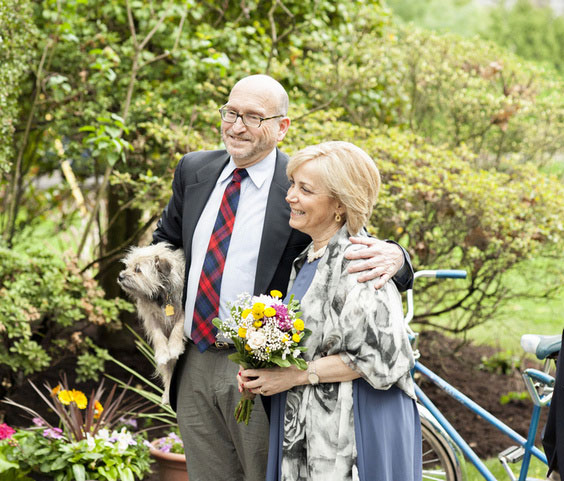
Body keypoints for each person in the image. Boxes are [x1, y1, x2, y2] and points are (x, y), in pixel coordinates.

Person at [152, 74, 414, 481]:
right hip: (194, 358)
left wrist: (399, 256)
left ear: (282, 126)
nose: (237, 126)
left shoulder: (300, 186)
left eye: (253, 117)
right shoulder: (194, 170)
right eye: (231, 113)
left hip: (261, 371)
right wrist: (160, 311)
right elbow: (166, 243)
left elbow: (352, 244)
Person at [239, 141, 421, 481]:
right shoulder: (310, 255)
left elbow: (380, 357)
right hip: (309, 417)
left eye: (305, 189)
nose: (290, 196)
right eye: (292, 184)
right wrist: (262, 368)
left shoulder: (362, 263)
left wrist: (292, 375)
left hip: (356, 423)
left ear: (340, 204)